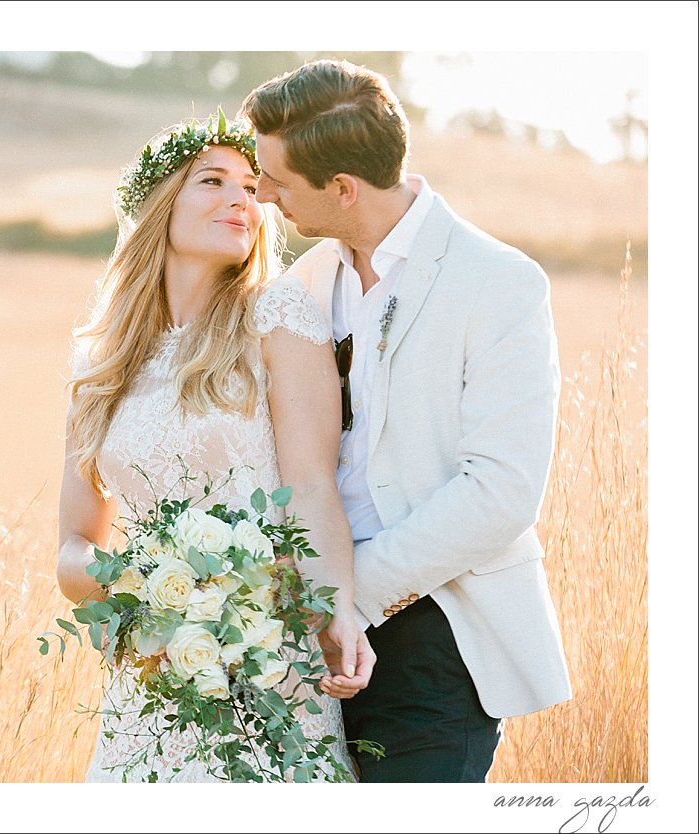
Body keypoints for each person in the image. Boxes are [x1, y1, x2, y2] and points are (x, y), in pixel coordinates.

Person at [241, 59, 573, 783]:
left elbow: (503, 491)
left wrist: (350, 595)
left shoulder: (499, 283)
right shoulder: (297, 290)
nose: (260, 193)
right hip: (303, 635)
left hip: (438, 633)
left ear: (342, 189)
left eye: (276, 180)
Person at [55, 111, 374, 782]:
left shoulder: (278, 319)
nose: (242, 198)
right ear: (157, 204)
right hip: (149, 682)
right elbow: (74, 548)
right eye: (213, 180)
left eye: (250, 186)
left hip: (268, 660)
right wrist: (146, 591)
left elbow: (313, 486)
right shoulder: (100, 359)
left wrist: (338, 607)